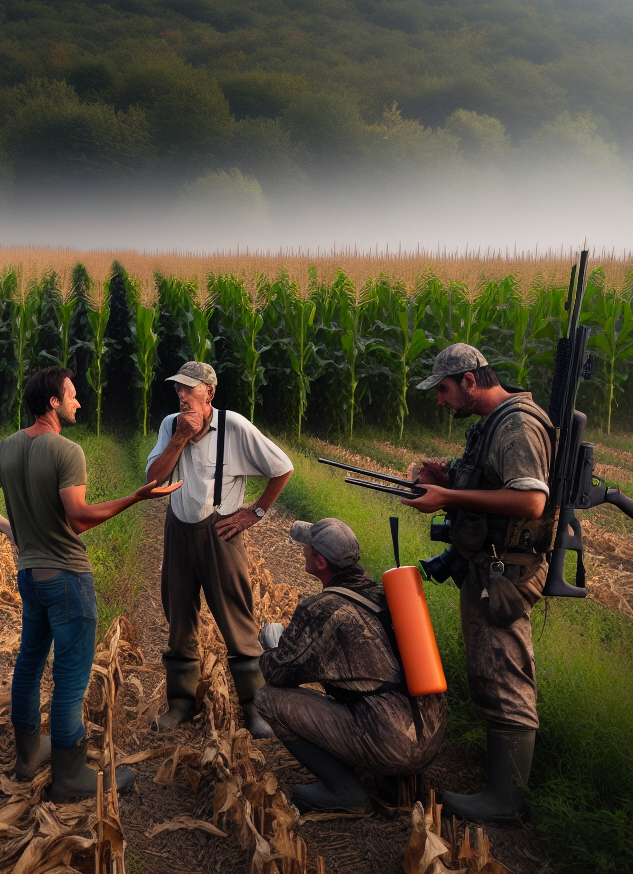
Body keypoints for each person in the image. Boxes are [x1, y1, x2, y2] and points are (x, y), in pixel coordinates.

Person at [0, 366, 179, 800]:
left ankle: (26, 760)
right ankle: (70, 778)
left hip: (30, 576)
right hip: (66, 577)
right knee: (71, 679)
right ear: (53, 402)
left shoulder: (8, 447)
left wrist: (9, 528)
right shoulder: (66, 451)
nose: (80, 402)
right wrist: (134, 497)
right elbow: (78, 517)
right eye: (73, 395)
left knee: (28, 664)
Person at [403, 343, 555, 822]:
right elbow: (491, 481)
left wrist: (447, 493)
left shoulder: (517, 425)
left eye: (445, 390)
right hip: (488, 567)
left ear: (470, 380)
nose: (441, 400)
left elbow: (531, 501)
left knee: (505, 675)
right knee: (490, 673)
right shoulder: (492, 424)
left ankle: (506, 801)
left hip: (505, 574)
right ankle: (498, 788)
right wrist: (444, 476)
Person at [255, 518, 447, 813]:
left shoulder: (322, 608)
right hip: (431, 739)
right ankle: (396, 782)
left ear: (320, 562)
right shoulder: (389, 594)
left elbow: (278, 672)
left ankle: (343, 790)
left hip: (391, 741)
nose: (303, 550)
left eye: (307, 547)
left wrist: (272, 645)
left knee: (268, 698)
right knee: (371, 689)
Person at [145, 361, 293, 738]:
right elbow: (152, 480)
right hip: (177, 530)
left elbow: (282, 467)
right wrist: (179, 438)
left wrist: (254, 513)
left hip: (220, 534)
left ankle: (255, 706)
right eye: (178, 388)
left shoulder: (234, 426)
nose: (182, 395)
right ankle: (181, 702)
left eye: (190, 389)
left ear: (209, 393)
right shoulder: (169, 425)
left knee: (236, 619)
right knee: (178, 616)